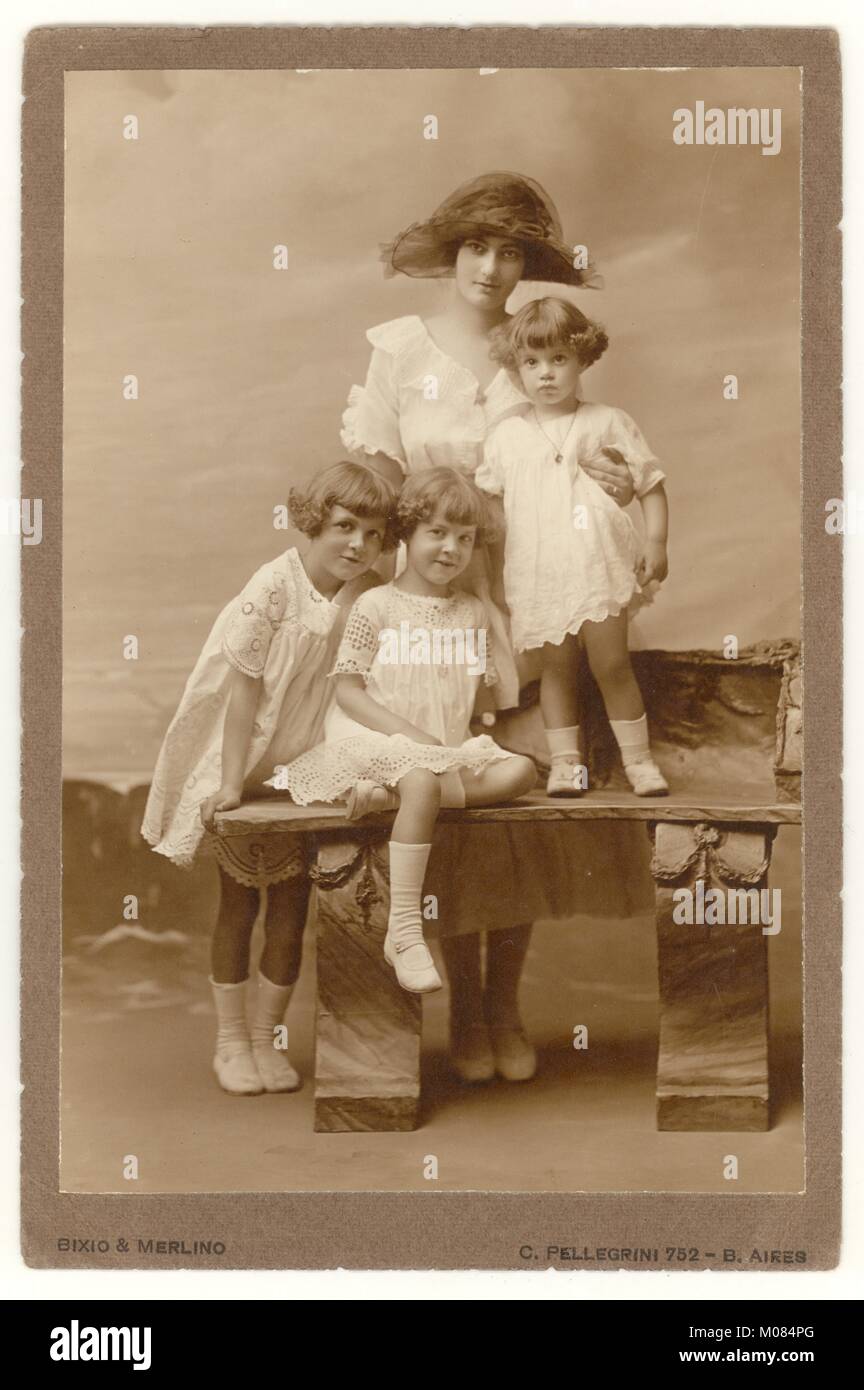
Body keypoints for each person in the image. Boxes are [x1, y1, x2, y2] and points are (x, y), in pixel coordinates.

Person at [336, 171, 642, 1085]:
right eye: (477, 246)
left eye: (511, 251)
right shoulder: (401, 350)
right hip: (428, 600)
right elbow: (371, 474)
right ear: (450, 251)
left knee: (522, 805)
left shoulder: (538, 349)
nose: (492, 266)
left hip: (527, 592)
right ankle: (459, 1010)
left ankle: (498, 1003)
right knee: (434, 779)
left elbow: (581, 461)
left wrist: (623, 495)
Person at [141, 462, 397, 1096]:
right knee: (239, 902)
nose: (357, 545)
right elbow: (242, 691)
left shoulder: (362, 594)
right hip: (248, 757)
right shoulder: (273, 586)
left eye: (371, 532)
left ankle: (264, 1039)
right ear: (312, 523)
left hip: (303, 762)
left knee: (291, 907)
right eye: (344, 527)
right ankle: (231, 1042)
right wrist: (232, 783)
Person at [272, 467, 537, 993]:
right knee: (418, 778)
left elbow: (462, 700)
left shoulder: (472, 614)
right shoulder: (376, 605)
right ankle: (405, 929)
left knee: (522, 772)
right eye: (436, 533)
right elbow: (348, 689)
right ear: (408, 535)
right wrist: (409, 737)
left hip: (439, 749)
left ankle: (394, 801)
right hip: (373, 737)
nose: (450, 549)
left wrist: (464, 735)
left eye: (463, 539)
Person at [476, 296, 670, 797]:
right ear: (516, 369)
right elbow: (492, 509)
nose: (545, 373)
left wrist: (656, 541)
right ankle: (566, 765)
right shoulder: (506, 437)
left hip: (596, 566)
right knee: (555, 672)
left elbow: (649, 482)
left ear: (582, 358)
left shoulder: (606, 420)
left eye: (559, 359)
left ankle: (640, 762)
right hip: (539, 573)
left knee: (611, 665)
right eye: (532, 362)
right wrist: (496, 578)